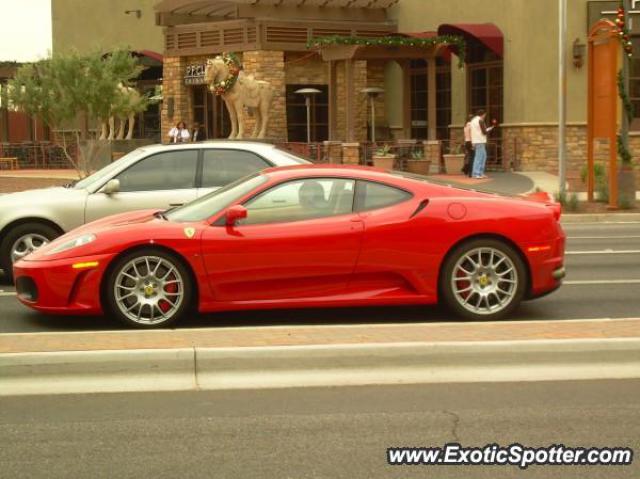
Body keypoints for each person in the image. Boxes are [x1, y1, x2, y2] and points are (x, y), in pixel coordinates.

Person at [470, 110, 496, 179]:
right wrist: (490, 129)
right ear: (483, 114)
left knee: (483, 157)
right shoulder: (480, 120)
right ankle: (476, 173)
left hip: (476, 140)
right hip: (480, 140)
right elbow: (484, 132)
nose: (485, 116)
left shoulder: (473, 120)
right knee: (479, 158)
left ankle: (480, 173)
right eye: (485, 115)